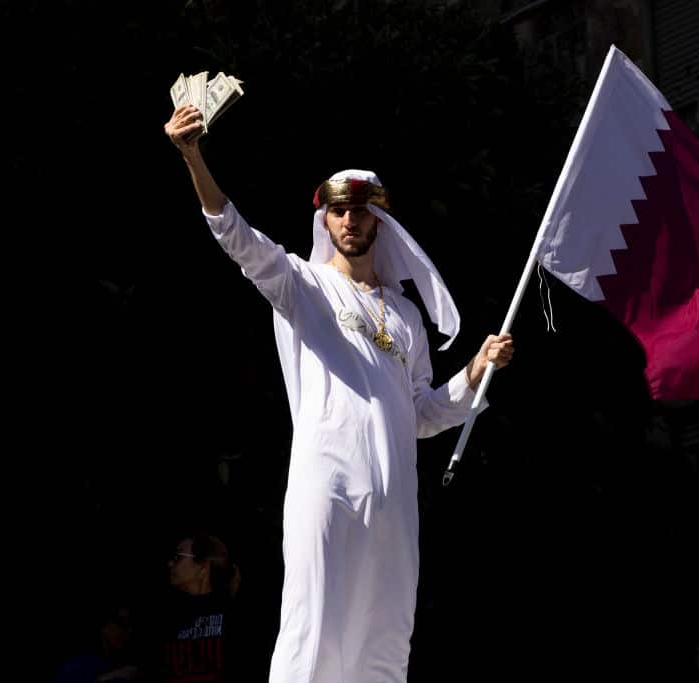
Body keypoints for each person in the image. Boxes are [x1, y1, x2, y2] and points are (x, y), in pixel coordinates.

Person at [164, 104, 514, 683]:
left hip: (395, 503)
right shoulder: (304, 284)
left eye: (359, 210)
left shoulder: (405, 316)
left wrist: (476, 369)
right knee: (314, 632)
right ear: (325, 222)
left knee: (383, 647)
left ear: (381, 221)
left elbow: (423, 414)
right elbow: (238, 239)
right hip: (327, 489)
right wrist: (193, 156)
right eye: (338, 211)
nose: (349, 220)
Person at [150, 530, 241, 683]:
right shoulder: (167, 618)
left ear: (203, 567)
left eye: (178, 557)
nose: (170, 563)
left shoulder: (232, 614)